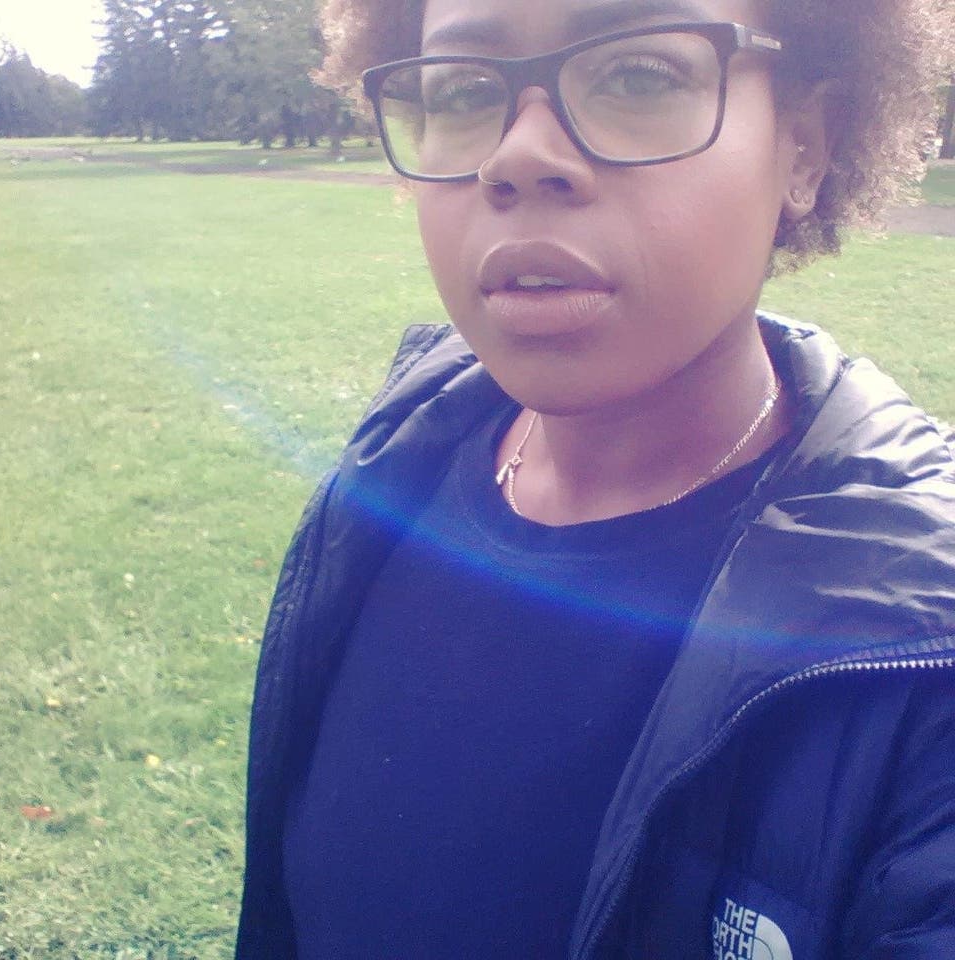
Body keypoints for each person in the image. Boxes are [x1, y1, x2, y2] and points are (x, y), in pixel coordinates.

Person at [237, 0, 955, 956]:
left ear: (805, 148)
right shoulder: (398, 457)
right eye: (460, 91)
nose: (517, 155)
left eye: (639, 74)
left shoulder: (923, 653)